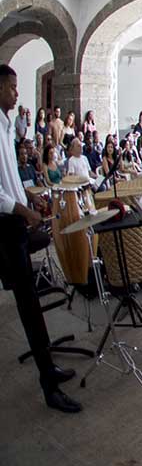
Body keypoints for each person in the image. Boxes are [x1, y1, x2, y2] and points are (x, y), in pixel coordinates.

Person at [0, 66, 81, 413]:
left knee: (29, 300)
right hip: (3, 228)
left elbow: (7, 178)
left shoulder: (5, 125)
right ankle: (48, 385)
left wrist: (29, 197)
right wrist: (22, 209)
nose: (18, 94)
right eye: (13, 87)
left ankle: (49, 369)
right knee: (28, 305)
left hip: (13, 219)